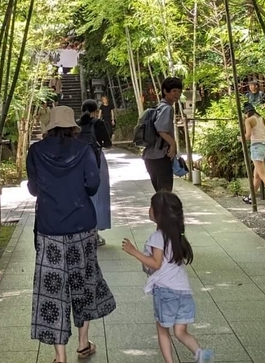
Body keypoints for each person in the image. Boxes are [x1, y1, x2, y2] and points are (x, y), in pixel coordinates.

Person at [28, 106, 117, 362]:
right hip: (81, 226)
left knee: (52, 289)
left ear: (50, 127)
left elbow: (34, 190)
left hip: (49, 228)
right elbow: (92, 186)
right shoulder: (84, 149)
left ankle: (60, 355)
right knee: (83, 284)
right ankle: (82, 343)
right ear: (72, 127)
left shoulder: (35, 151)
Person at [120, 192, 214, 363]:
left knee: (163, 330)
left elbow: (156, 264)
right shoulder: (177, 235)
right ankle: (201, 355)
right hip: (184, 292)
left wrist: (133, 252)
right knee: (181, 332)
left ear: (158, 214)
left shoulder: (158, 237)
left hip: (166, 292)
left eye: (151, 207)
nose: (149, 210)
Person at [79, 99, 114, 244]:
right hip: (96, 161)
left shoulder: (77, 124)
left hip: (79, 163)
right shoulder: (97, 123)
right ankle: (95, 233)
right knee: (99, 195)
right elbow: (107, 142)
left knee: (82, 196)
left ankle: (83, 231)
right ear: (95, 110)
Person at [143, 77, 183, 192]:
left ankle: (157, 209)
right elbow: (161, 129)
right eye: (174, 91)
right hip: (161, 157)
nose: (177, 94)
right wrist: (173, 144)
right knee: (165, 194)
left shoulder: (157, 107)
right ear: (165, 91)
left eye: (179, 91)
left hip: (150, 156)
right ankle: (158, 210)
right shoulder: (167, 109)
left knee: (160, 194)